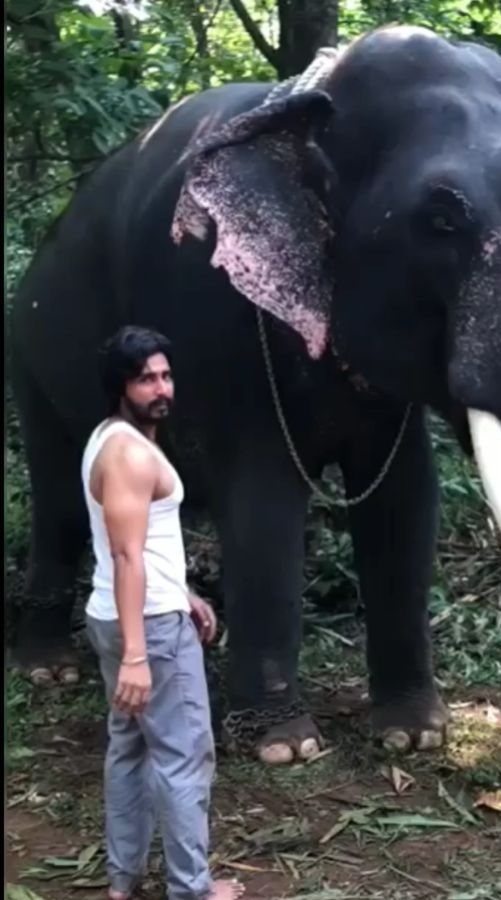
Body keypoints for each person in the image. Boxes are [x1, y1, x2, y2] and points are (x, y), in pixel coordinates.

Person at [81, 325, 244, 900]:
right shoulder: (128, 453)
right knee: (184, 755)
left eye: (166, 375)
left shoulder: (113, 438)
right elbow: (128, 555)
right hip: (145, 629)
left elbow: (139, 546)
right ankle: (191, 890)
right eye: (146, 378)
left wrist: (185, 595)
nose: (161, 388)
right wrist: (135, 655)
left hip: (127, 613)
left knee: (128, 746)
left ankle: (122, 883)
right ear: (119, 386)